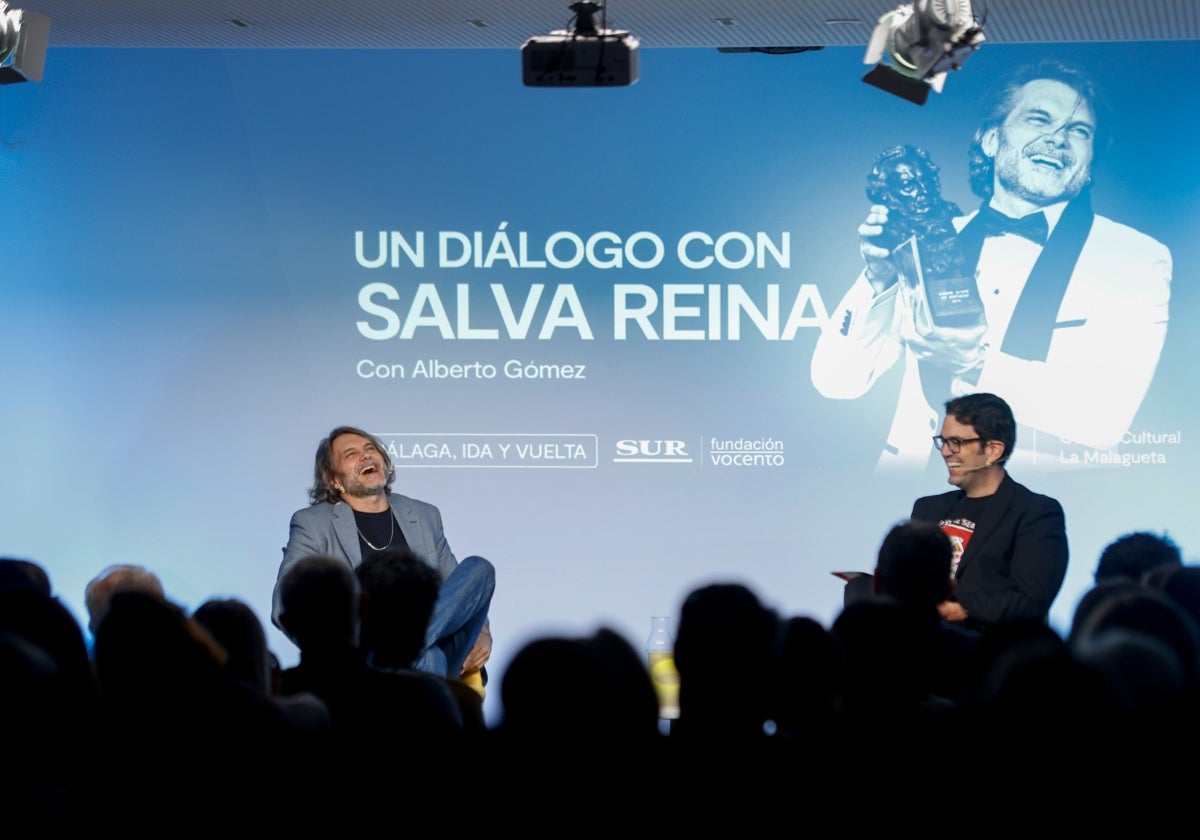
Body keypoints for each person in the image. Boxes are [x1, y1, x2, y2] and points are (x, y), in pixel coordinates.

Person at [812, 58, 1171, 473]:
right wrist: (880, 282)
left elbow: (1105, 419)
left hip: (1044, 504)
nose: (1058, 139)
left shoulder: (1135, 257)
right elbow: (837, 380)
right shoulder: (930, 238)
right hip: (912, 498)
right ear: (989, 138)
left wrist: (975, 362)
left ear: (1089, 161)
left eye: (1079, 131)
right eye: (1039, 119)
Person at [272, 425, 495, 693]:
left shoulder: (424, 515)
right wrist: (334, 655)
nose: (366, 456)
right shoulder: (312, 523)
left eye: (370, 449)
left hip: (434, 643)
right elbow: (284, 602)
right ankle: (407, 654)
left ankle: (406, 649)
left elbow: (459, 592)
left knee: (480, 569)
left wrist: (482, 634)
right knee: (429, 658)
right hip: (366, 654)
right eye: (351, 454)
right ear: (334, 480)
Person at [910, 392, 1068, 632]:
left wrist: (961, 609)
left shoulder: (1036, 513)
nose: (945, 452)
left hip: (987, 654)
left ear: (993, 450)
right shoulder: (927, 508)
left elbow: (1029, 602)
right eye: (943, 441)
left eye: (956, 442)